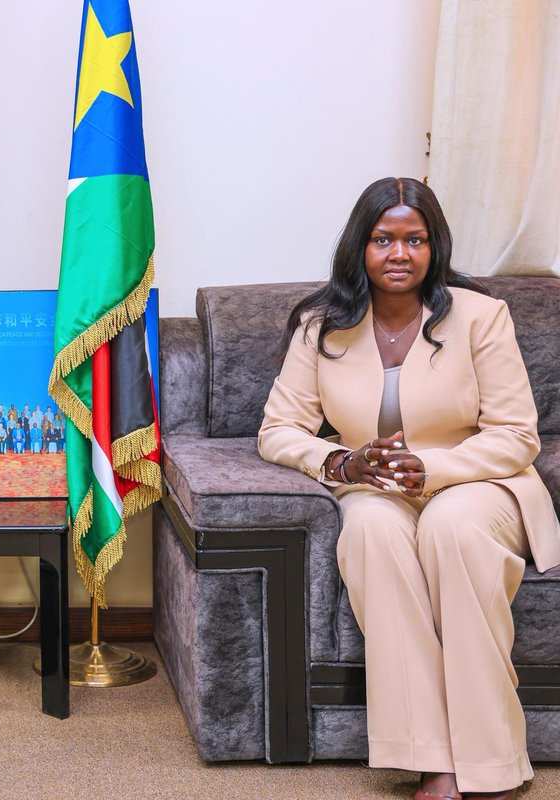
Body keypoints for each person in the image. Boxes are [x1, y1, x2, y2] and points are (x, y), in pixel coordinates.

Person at [258, 178, 559, 800]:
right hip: (374, 484)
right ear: (359, 248)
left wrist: (435, 469)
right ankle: (434, 760)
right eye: (383, 239)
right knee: (370, 530)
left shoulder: (481, 317)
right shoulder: (323, 326)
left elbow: (516, 434)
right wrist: (343, 463)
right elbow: (278, 430)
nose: (399, 253)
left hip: (478, 480)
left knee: (451, 527)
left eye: (414, 239)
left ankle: (495, 763)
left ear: (434, 246)